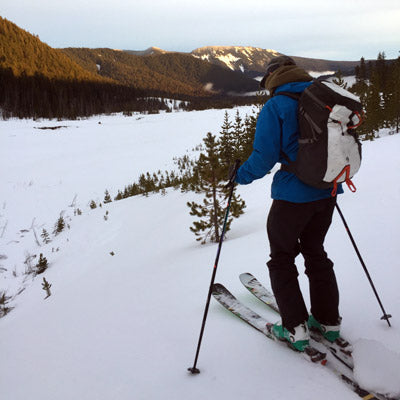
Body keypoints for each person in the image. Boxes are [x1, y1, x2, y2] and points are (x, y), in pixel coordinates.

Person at [235, 56, 342, 352]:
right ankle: (328, 321)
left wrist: (239, 176)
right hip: (328, 191)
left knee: (281, 258)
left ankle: (295, 329)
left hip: (293, 197)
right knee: (315, 252)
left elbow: (264, 157)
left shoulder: (276, 105)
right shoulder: (323, 97)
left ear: (272, 76)